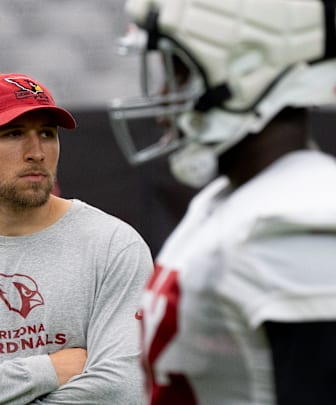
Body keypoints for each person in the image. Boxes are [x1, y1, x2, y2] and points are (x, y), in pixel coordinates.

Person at [109, 0, 336, 403]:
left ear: (247, 70)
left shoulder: (301, 221)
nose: (162, 98)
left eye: (178, 72)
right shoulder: (226, 199)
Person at [0, 72, 154, 404]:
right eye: (13, 133)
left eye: (46, 133)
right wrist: (45, 371)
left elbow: (121, 392)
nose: (36, 152)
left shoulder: (113, 246)